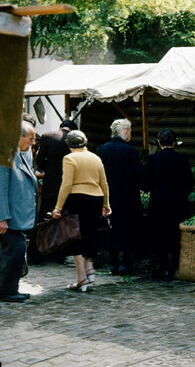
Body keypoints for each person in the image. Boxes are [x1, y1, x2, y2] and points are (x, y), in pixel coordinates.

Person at [52, 130, 111, 292]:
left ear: (69, 144)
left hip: (77, 198)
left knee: (74, 237)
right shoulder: (95, 158)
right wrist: (106, 203)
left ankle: (81, 278)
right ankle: (90, 268)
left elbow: (67, 184)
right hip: (96, 198)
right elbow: (104, 183)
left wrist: (58, 207)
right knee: (89, 233)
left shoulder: (69, 158)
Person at [142, 128, 194, 281]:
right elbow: (190, 182)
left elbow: (144, 183)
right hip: (179, 203)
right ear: (174, 142)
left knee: (159, 233)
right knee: (176, 234)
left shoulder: (153, 159)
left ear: (159, 143)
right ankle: (175, 267)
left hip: (159, 203)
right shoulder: (182, 159)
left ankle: (163, 266)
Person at [96, 119, 143, 276]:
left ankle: (114, 264)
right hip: (128, 199)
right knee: (129, 230)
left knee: (111, 230)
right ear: (125, 132)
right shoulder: (130, 151)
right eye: (129, 131)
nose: (130, 134)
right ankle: (126, 264)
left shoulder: (101, 150)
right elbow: (139, 176)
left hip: (108, 198)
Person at [30, 119, 78, 265]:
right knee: (65, 221)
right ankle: (60, 256)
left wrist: (50, 170)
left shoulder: (49, 136)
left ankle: (35, 255)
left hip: (51, 185)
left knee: (44, 220)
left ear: (60, 127)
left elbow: (38, 160)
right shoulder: (77, 138)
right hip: (70, 186)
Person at [0, 122, 37, 302]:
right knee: (14, 252)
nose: (33, 142)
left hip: (16, 216)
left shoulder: (19, 155)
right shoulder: (7, 156)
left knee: (15, 252)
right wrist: (2, 217)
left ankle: (9, 288)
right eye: (30, 138)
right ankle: (7, 290)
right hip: (10, 217)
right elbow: (1, 188)